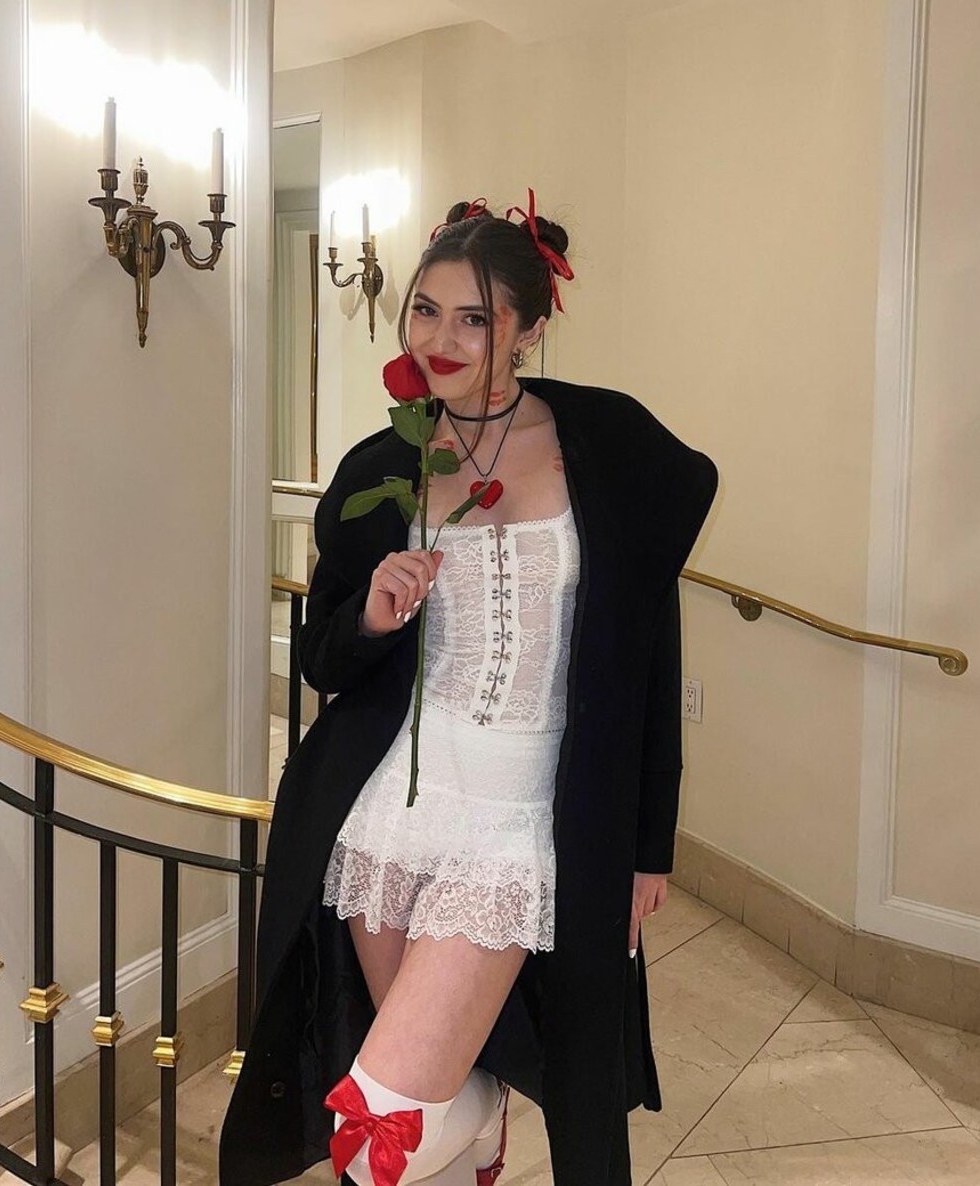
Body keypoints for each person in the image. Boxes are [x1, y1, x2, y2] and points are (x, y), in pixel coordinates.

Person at [220, 194, 718, 1186]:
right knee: (424, 1103)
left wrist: (647, 842)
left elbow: (648, 649)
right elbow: (323, 658)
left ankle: (484, 1116)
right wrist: (373, 617)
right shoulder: (383, 466)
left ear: (529, 329)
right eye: (425, 310)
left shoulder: (608, 449)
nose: (439, 341)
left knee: (384, 1132)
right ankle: (479, 1122)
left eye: (474, 319)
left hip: (525, 821)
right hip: (390, 815)